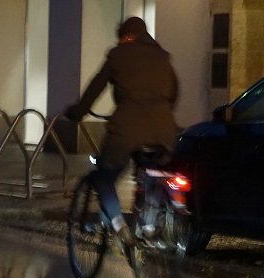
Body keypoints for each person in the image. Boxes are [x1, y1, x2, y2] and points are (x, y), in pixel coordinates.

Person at [65, 17, 179, 237]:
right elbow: (174, 94)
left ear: (126, 36)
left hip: (128, 127)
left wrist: (77, 112)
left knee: (105, 176)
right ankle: (148, 224)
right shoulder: (163, 57)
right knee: (151, 171)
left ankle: (118, 225)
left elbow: (95, 87)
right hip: (164, 129)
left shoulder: (118, 55)